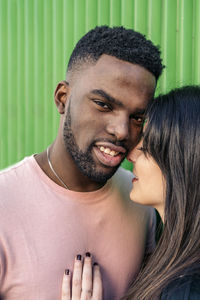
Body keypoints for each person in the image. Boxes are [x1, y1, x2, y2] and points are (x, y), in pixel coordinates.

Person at [0, 26, 163, 299]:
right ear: (63, 98)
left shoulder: (140, 199)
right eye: (103, 104)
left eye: (137, 117)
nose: (122, 131)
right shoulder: (4, 202)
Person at [62, 86, 200, 299]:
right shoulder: (175, 264)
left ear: (180, 162)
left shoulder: (185, 290)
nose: (131, 155)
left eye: (145, 148)